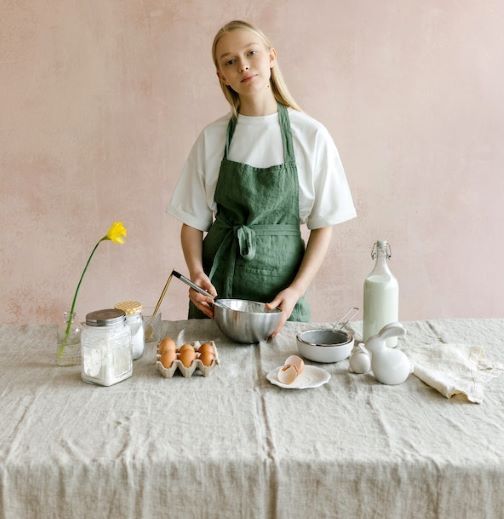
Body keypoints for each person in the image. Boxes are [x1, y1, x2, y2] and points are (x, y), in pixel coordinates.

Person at [167, 20, 356, 336]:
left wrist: (295, 291)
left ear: (271, 57)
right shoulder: (212, 138)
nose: (242, 65)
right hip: (218, 297)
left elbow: (324, 226)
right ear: (222, 76)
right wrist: (196, 274)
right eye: (229, 61)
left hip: (280, 299)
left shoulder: (311, 135)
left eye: (251, 53)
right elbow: (192, 222)